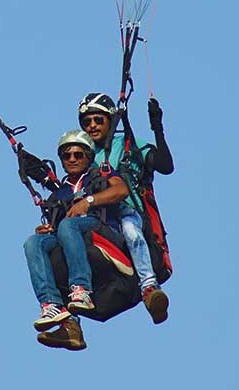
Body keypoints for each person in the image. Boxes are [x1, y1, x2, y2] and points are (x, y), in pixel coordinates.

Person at [23, 130, 130, 350]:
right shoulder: (59, 194)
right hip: (69, 233)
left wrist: (88, 201)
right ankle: (52, 303)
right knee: (33, 242)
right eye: (67, 155)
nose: (72, 159)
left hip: (100, 229)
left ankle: (81, 288)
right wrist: (47, 229)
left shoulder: (101, 175)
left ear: (89, 157)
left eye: (78, 154)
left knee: (68, 225)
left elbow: (121, 190)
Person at [78, 92, 175, 324]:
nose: (92, 126)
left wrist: (157, 127)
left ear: (110, 121)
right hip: (98, 217)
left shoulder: (127, 144)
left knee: (131, 232)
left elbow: (165, 166)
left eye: (98, 120)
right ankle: (69, 316)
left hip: (126, 210)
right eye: (87, 122)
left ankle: (149, 287)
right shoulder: (83, 153)